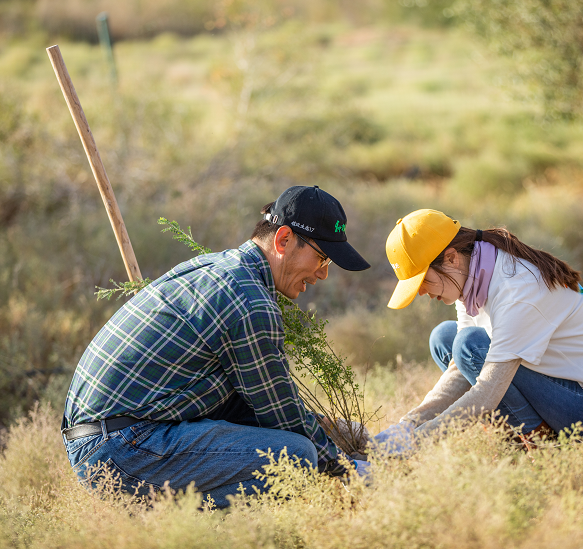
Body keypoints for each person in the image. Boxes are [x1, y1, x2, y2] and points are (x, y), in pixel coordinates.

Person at [61, 185, 371, 508]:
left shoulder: (218, 267)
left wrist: (330, 429)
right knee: (297, 458)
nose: (322, 273)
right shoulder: (249, 301)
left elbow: (254, 405)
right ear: (283, 240)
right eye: (321, 258)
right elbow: (283, 417)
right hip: (117, 448)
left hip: (100, 438)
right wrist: (347, 469)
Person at [375, 210, 583, 449]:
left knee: (468, 344)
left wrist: (414, 442)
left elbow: (486, 392)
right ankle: (521, 430)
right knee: (445, 338)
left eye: (422, 280)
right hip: (562, 390)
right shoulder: (471, 277)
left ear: (451, 258)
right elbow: (459, 368)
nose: (421, 292)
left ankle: (539, 444)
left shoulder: (515, 289)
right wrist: (407, 425)